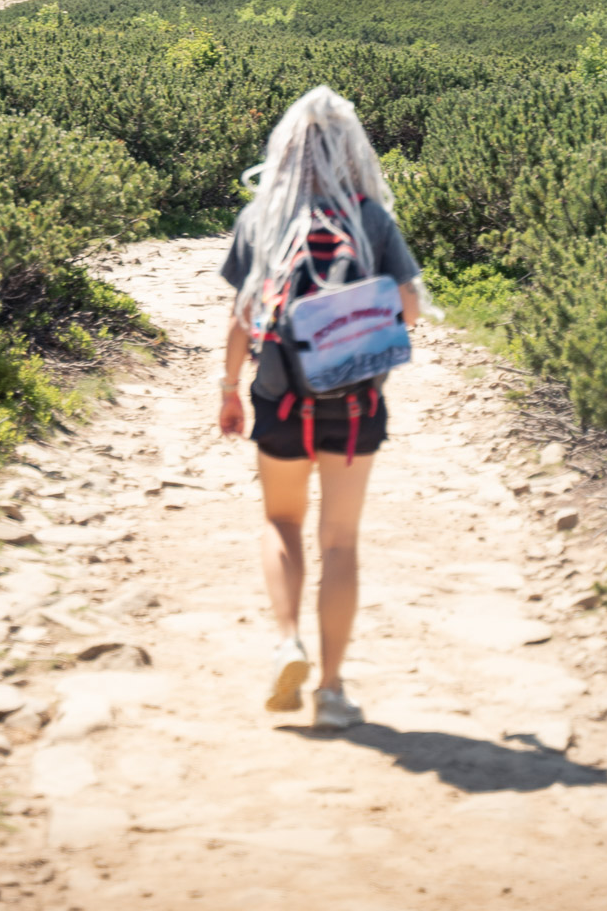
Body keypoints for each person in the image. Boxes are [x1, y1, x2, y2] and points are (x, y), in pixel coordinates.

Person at [218, 83, 422, 729]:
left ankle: (287, 642)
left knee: (280, 522)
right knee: (340, 541)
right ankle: (331, 691)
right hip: (356, 404)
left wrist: (229, 390)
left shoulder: (262, 218)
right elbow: (409, 307)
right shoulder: (371, 218)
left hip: (279, 397)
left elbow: (243, 316)